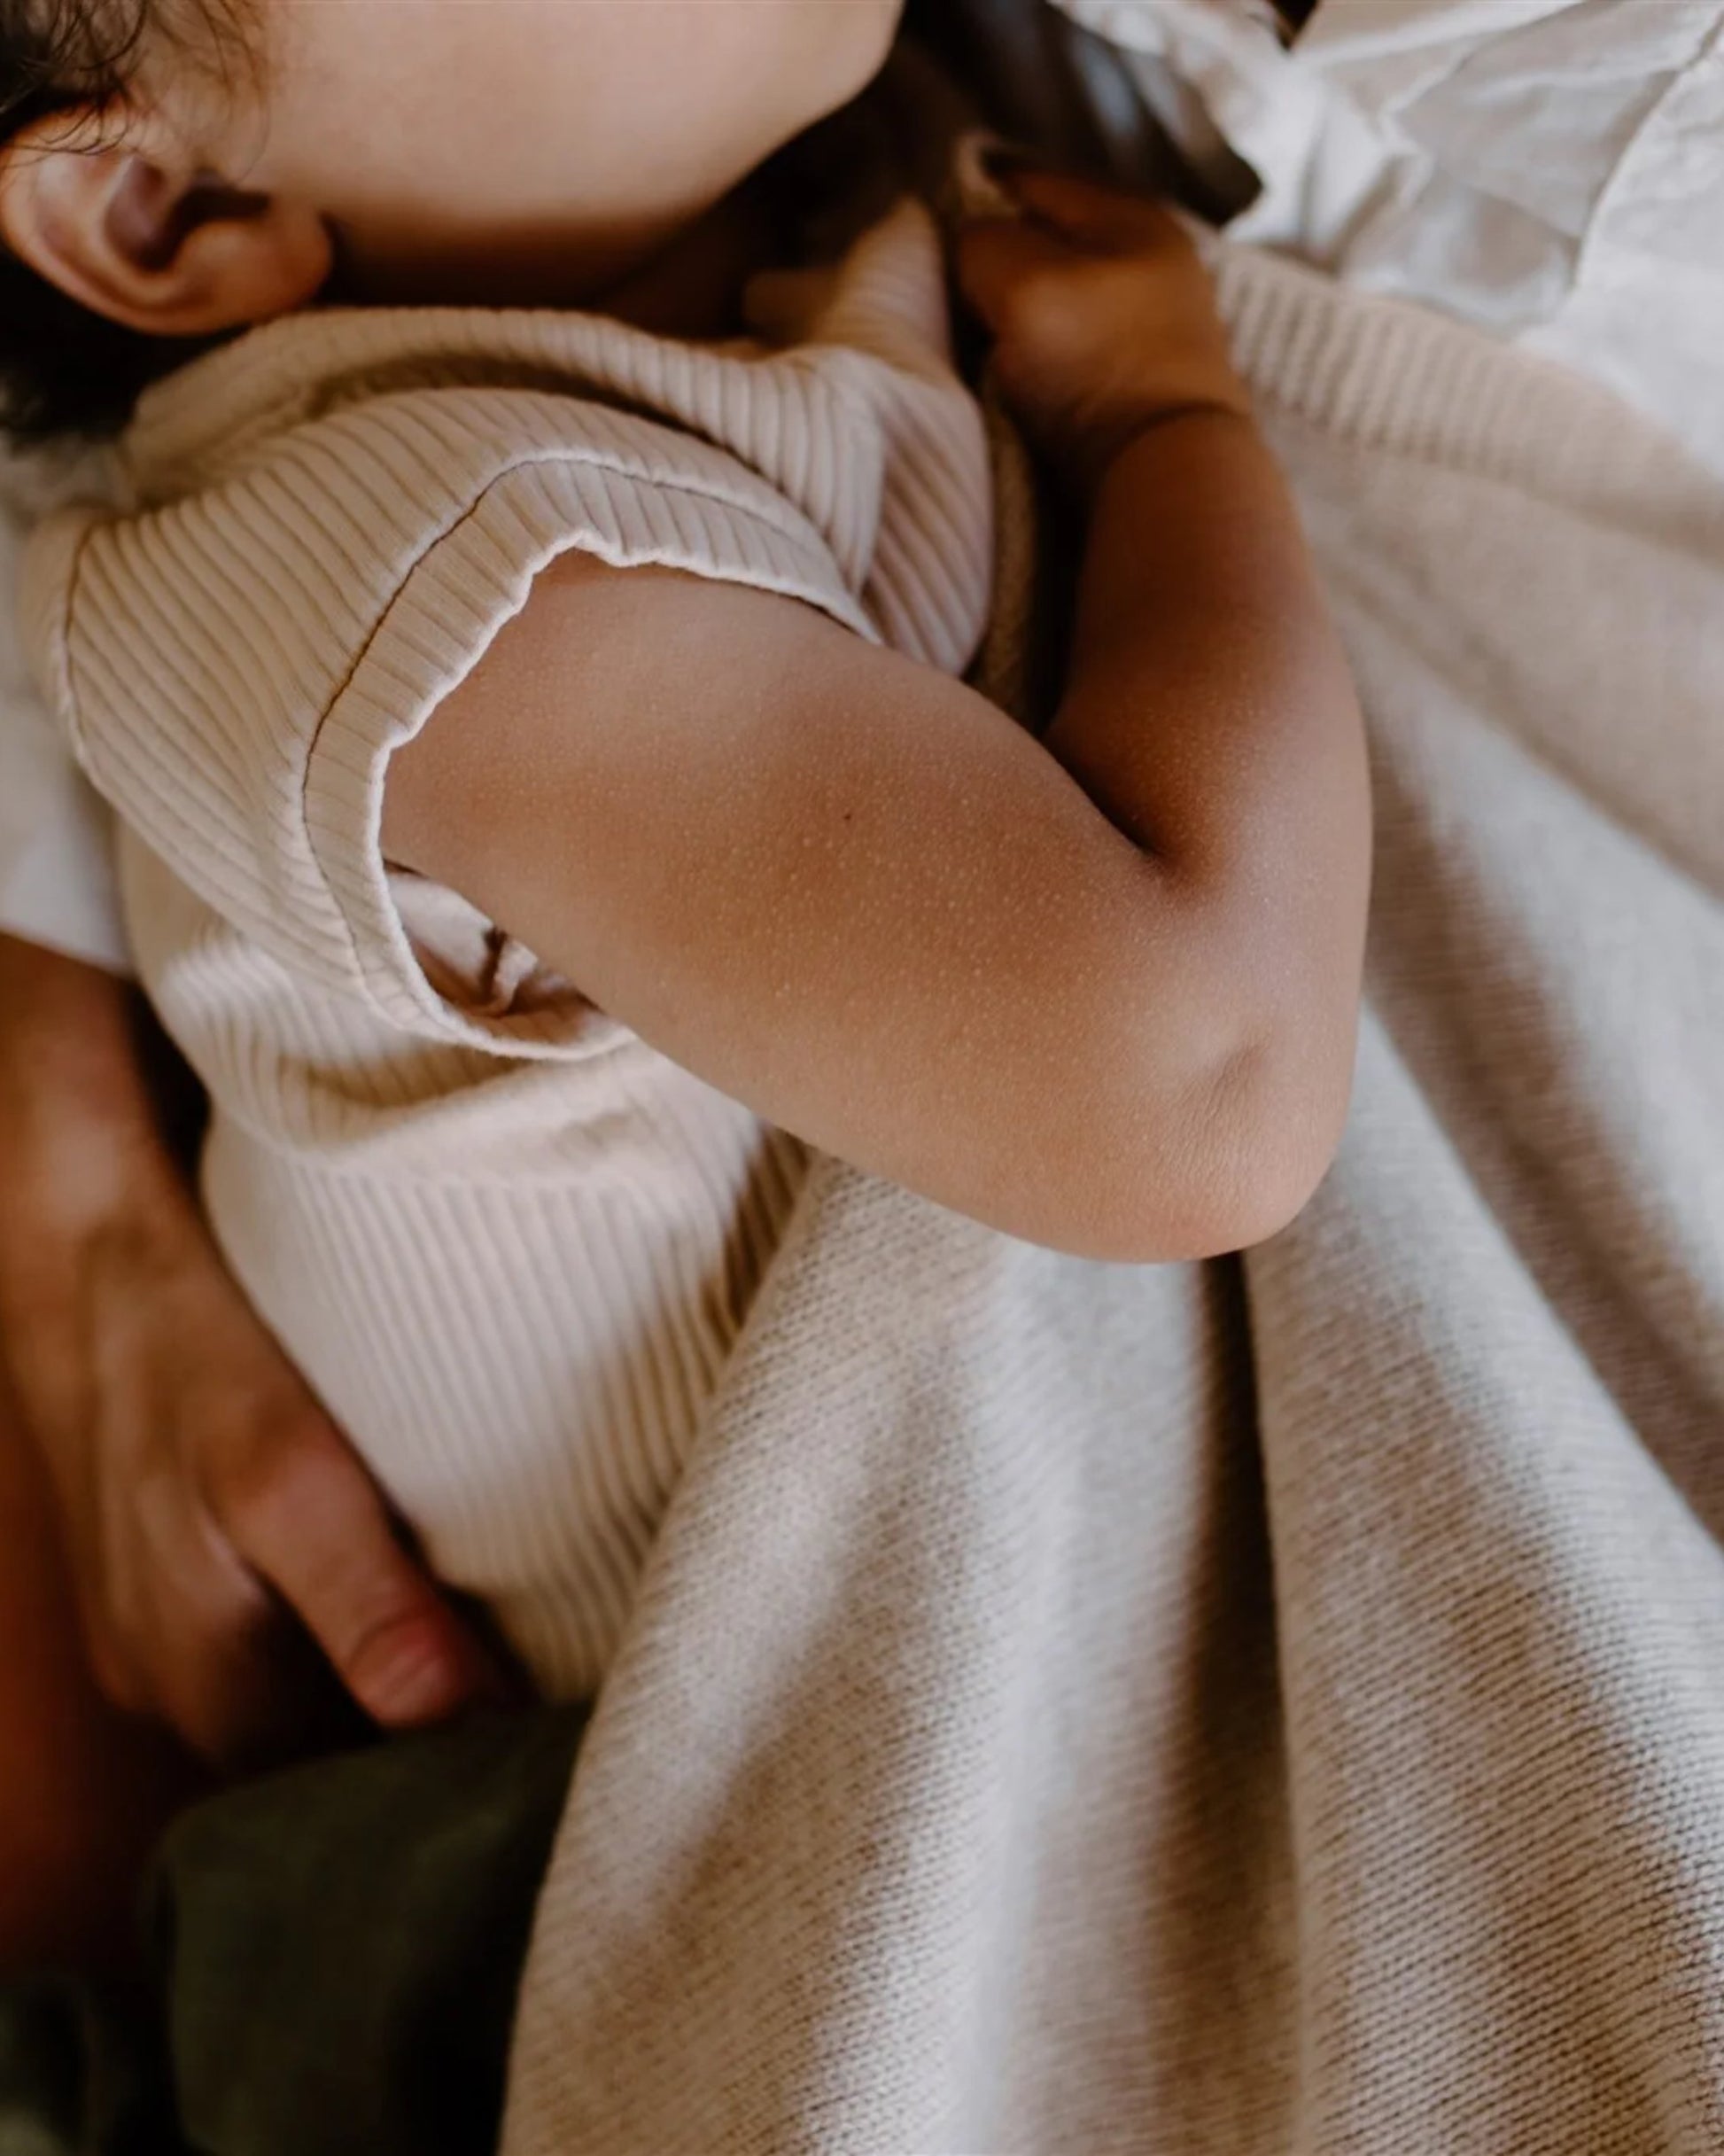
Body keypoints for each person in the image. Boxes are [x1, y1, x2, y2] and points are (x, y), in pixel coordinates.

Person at [0, 0, 1367, 1949]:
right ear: (161, 209)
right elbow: (1201, 1079)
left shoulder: (757, 193)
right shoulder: (435, 590)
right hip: (749, 1833)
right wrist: (1170, 425)